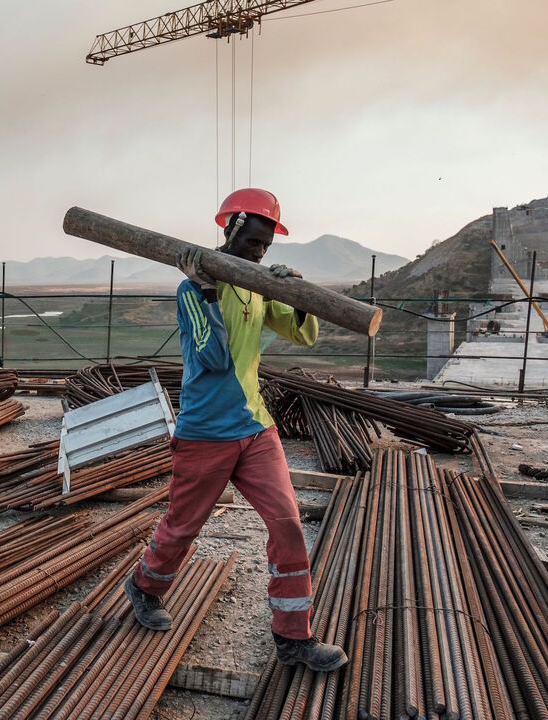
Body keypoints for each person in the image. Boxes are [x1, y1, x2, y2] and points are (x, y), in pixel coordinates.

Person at [122, 188, 348, 672]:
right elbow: (214, 358)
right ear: (232, 227)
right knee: (184, 528)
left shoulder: (258, 282)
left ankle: (294, 640)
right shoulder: (190, 293)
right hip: (205, 431)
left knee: (288, 526)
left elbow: (302, 333)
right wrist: (205, 290)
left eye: (268, 245)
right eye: (255, 241)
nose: (261, 251)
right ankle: (144, 586)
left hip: (256, 426)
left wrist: (295, 293)